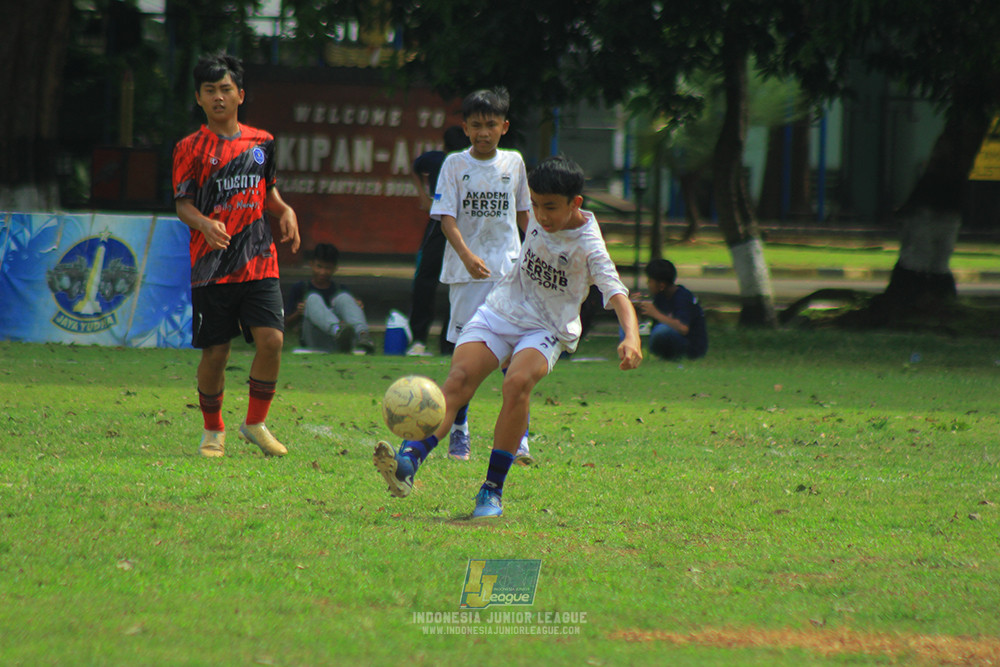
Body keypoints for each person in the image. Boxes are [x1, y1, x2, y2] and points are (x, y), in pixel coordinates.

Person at [373, 155, 643, 517]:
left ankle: (491, 490)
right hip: (501, 310)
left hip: (547, 328)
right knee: (458, 380)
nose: (540, 215)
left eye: (550, 207)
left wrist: (632, 337)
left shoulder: (589, 245)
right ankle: (409, 464)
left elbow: (617, 293)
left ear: (575, 203)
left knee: (516, 383)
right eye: (534, 204)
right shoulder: (535, 215)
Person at [172, 52, 300, 458]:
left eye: (225, 89)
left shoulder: (262, 142)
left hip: (260, 258)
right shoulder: (189, 148)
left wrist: (285, 210)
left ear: (240, 94)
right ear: (199, 98)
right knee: (217, 351)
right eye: (210, 91)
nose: (218, 97)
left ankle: (256, 423)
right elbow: (182, 205)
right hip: (212, 267)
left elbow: (268, 191)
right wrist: (204, 224)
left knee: (272, 340)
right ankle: (213, 430)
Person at [429, 87, 532, 462]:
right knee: (465, 354)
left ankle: (518, 436)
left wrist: (538, 249)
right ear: (465, 127)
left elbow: (524, 216)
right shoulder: (454, 165)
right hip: (466, 272)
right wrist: (468, 256)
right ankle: (459, 430)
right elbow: (447, 219)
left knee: (515, 352)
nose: (484, 132)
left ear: (504, 127)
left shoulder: (514, 164)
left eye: (491, 125)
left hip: (508, 270)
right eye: (476, 125)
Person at [406, 126, 470, 358]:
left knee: (460, 281)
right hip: (439, 224)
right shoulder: (436, 160)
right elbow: (415, 167)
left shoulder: (471, 163)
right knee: (425, 279)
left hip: (464, 227)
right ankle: (420, 339)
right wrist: (423, 196)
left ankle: (449, 343)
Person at [284, 243, 375, 355]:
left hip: (340, 343)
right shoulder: (300, 288)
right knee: (313, 298)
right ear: (311, 264)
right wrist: (299, 313)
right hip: (314, 339)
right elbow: (286, 324)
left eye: (328, 268)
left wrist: (356, 307)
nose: (323, 272)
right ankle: (337, 330)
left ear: (335, 268)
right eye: (319, 267)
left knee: (344, 298)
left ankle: (363, 335)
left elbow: (350, 313)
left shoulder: (341, 289)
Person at [633, 259, 708, 361]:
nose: (647, 284)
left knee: (661, 330)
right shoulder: (660, 297)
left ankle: (660, 354)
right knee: (628, 325)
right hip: (673, 339)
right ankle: (632, 353)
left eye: (650, 281)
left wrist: (655, 313)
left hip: (690, 344)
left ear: (662, 285)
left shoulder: (683, 297)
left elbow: (683, 328)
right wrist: (636, 310)